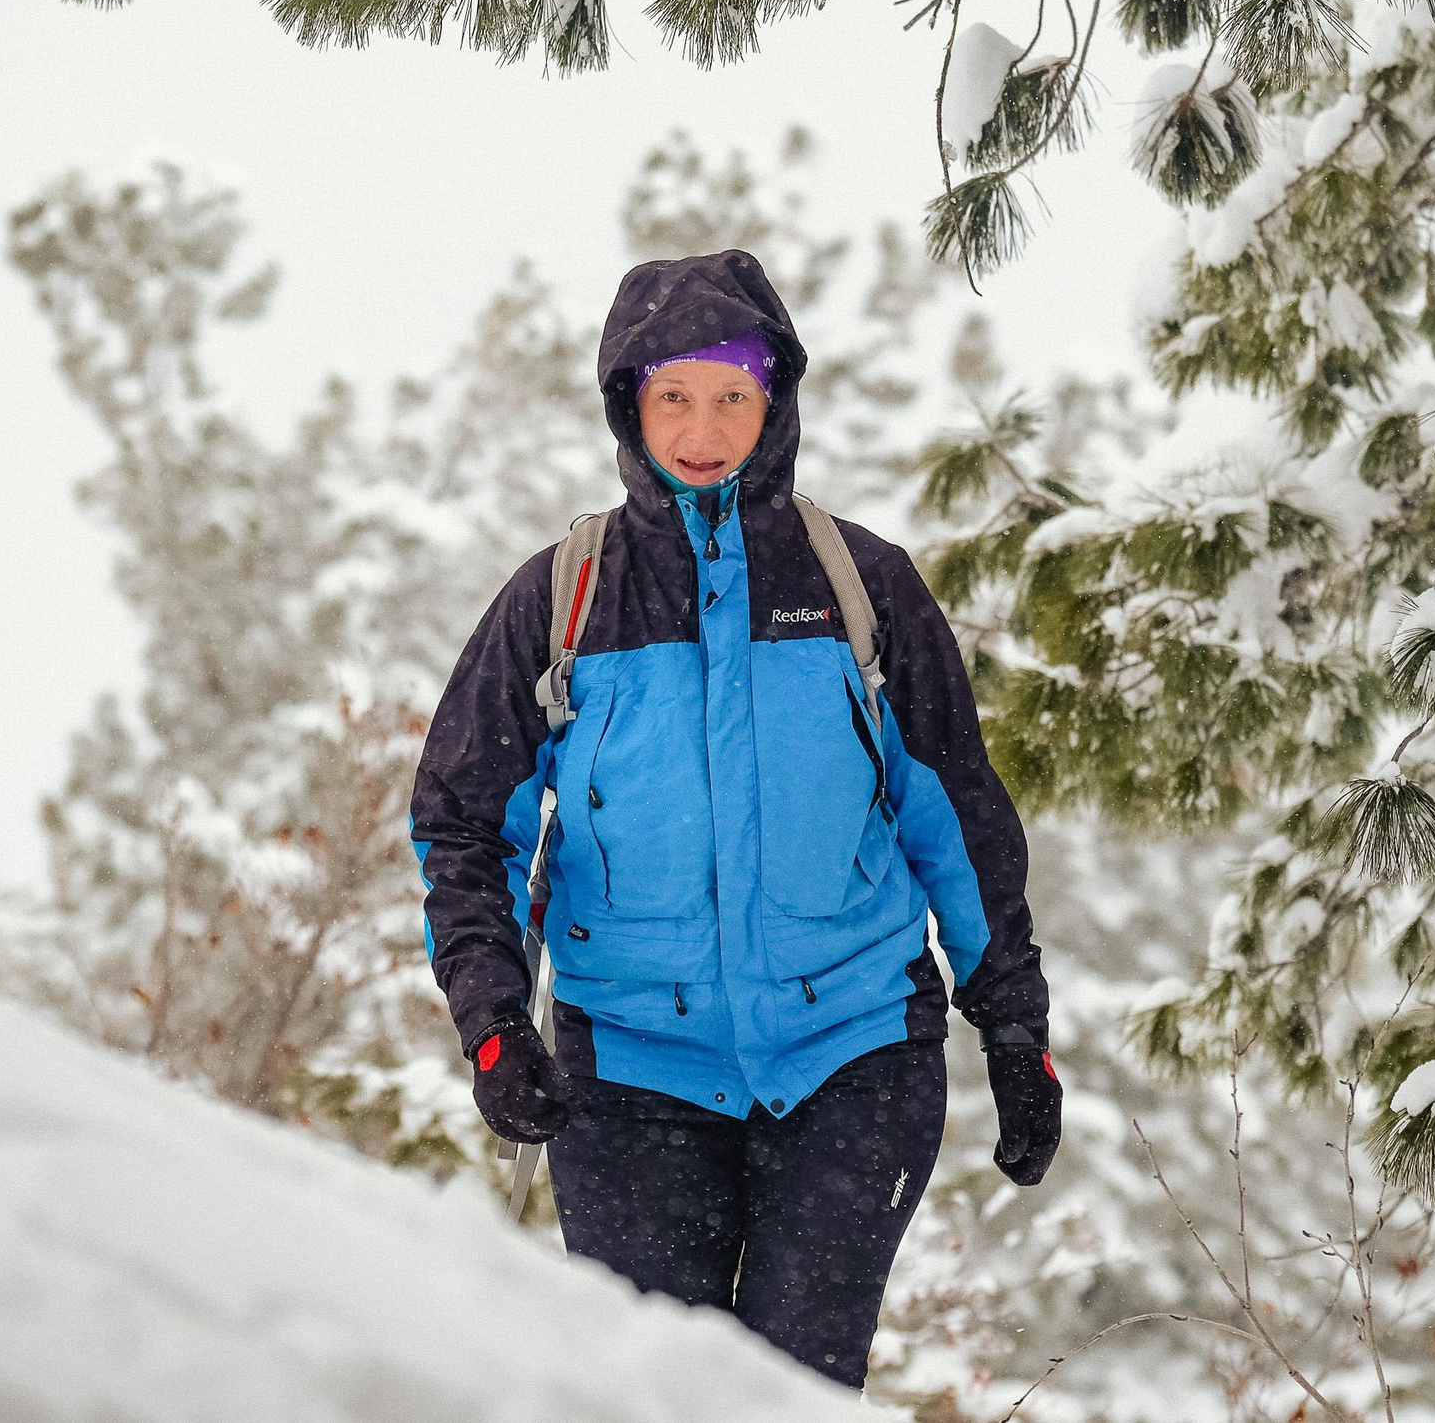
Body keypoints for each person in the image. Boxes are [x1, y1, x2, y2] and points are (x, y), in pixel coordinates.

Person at [412, 249, 1058, 1388]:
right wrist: (493, 1021)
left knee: (793, 1394)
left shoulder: (861, 587)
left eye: (731, 396)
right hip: (630, 1078)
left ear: (776, 401)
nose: (701, 428)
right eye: (673, 396)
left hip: (851, 1060)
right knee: (654, 1400)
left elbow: (955, 818)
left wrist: (1012, 1029)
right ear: (629, 403)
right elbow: (463, 823)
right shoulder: (563, 597)